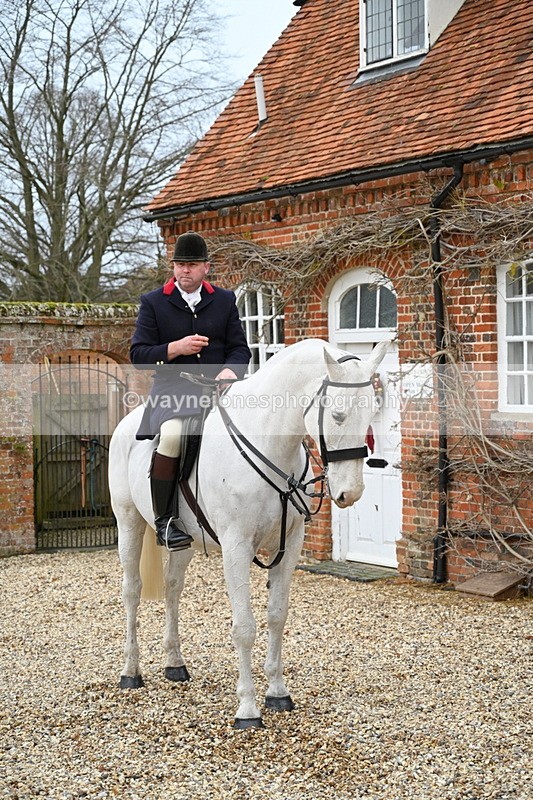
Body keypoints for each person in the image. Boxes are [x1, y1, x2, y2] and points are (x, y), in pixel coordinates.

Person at [130, 231, 251, 550]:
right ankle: (165, 521)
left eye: (192, 264)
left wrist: (230, 370)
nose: (185, 270)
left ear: (206, 268)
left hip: (219, 393)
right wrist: (174, 348)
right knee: (172, 436)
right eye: (180, 264)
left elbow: (240, 350)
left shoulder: (224, 300)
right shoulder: (153, 303)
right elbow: (138, 355)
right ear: (173, 267)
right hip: (173, 393)